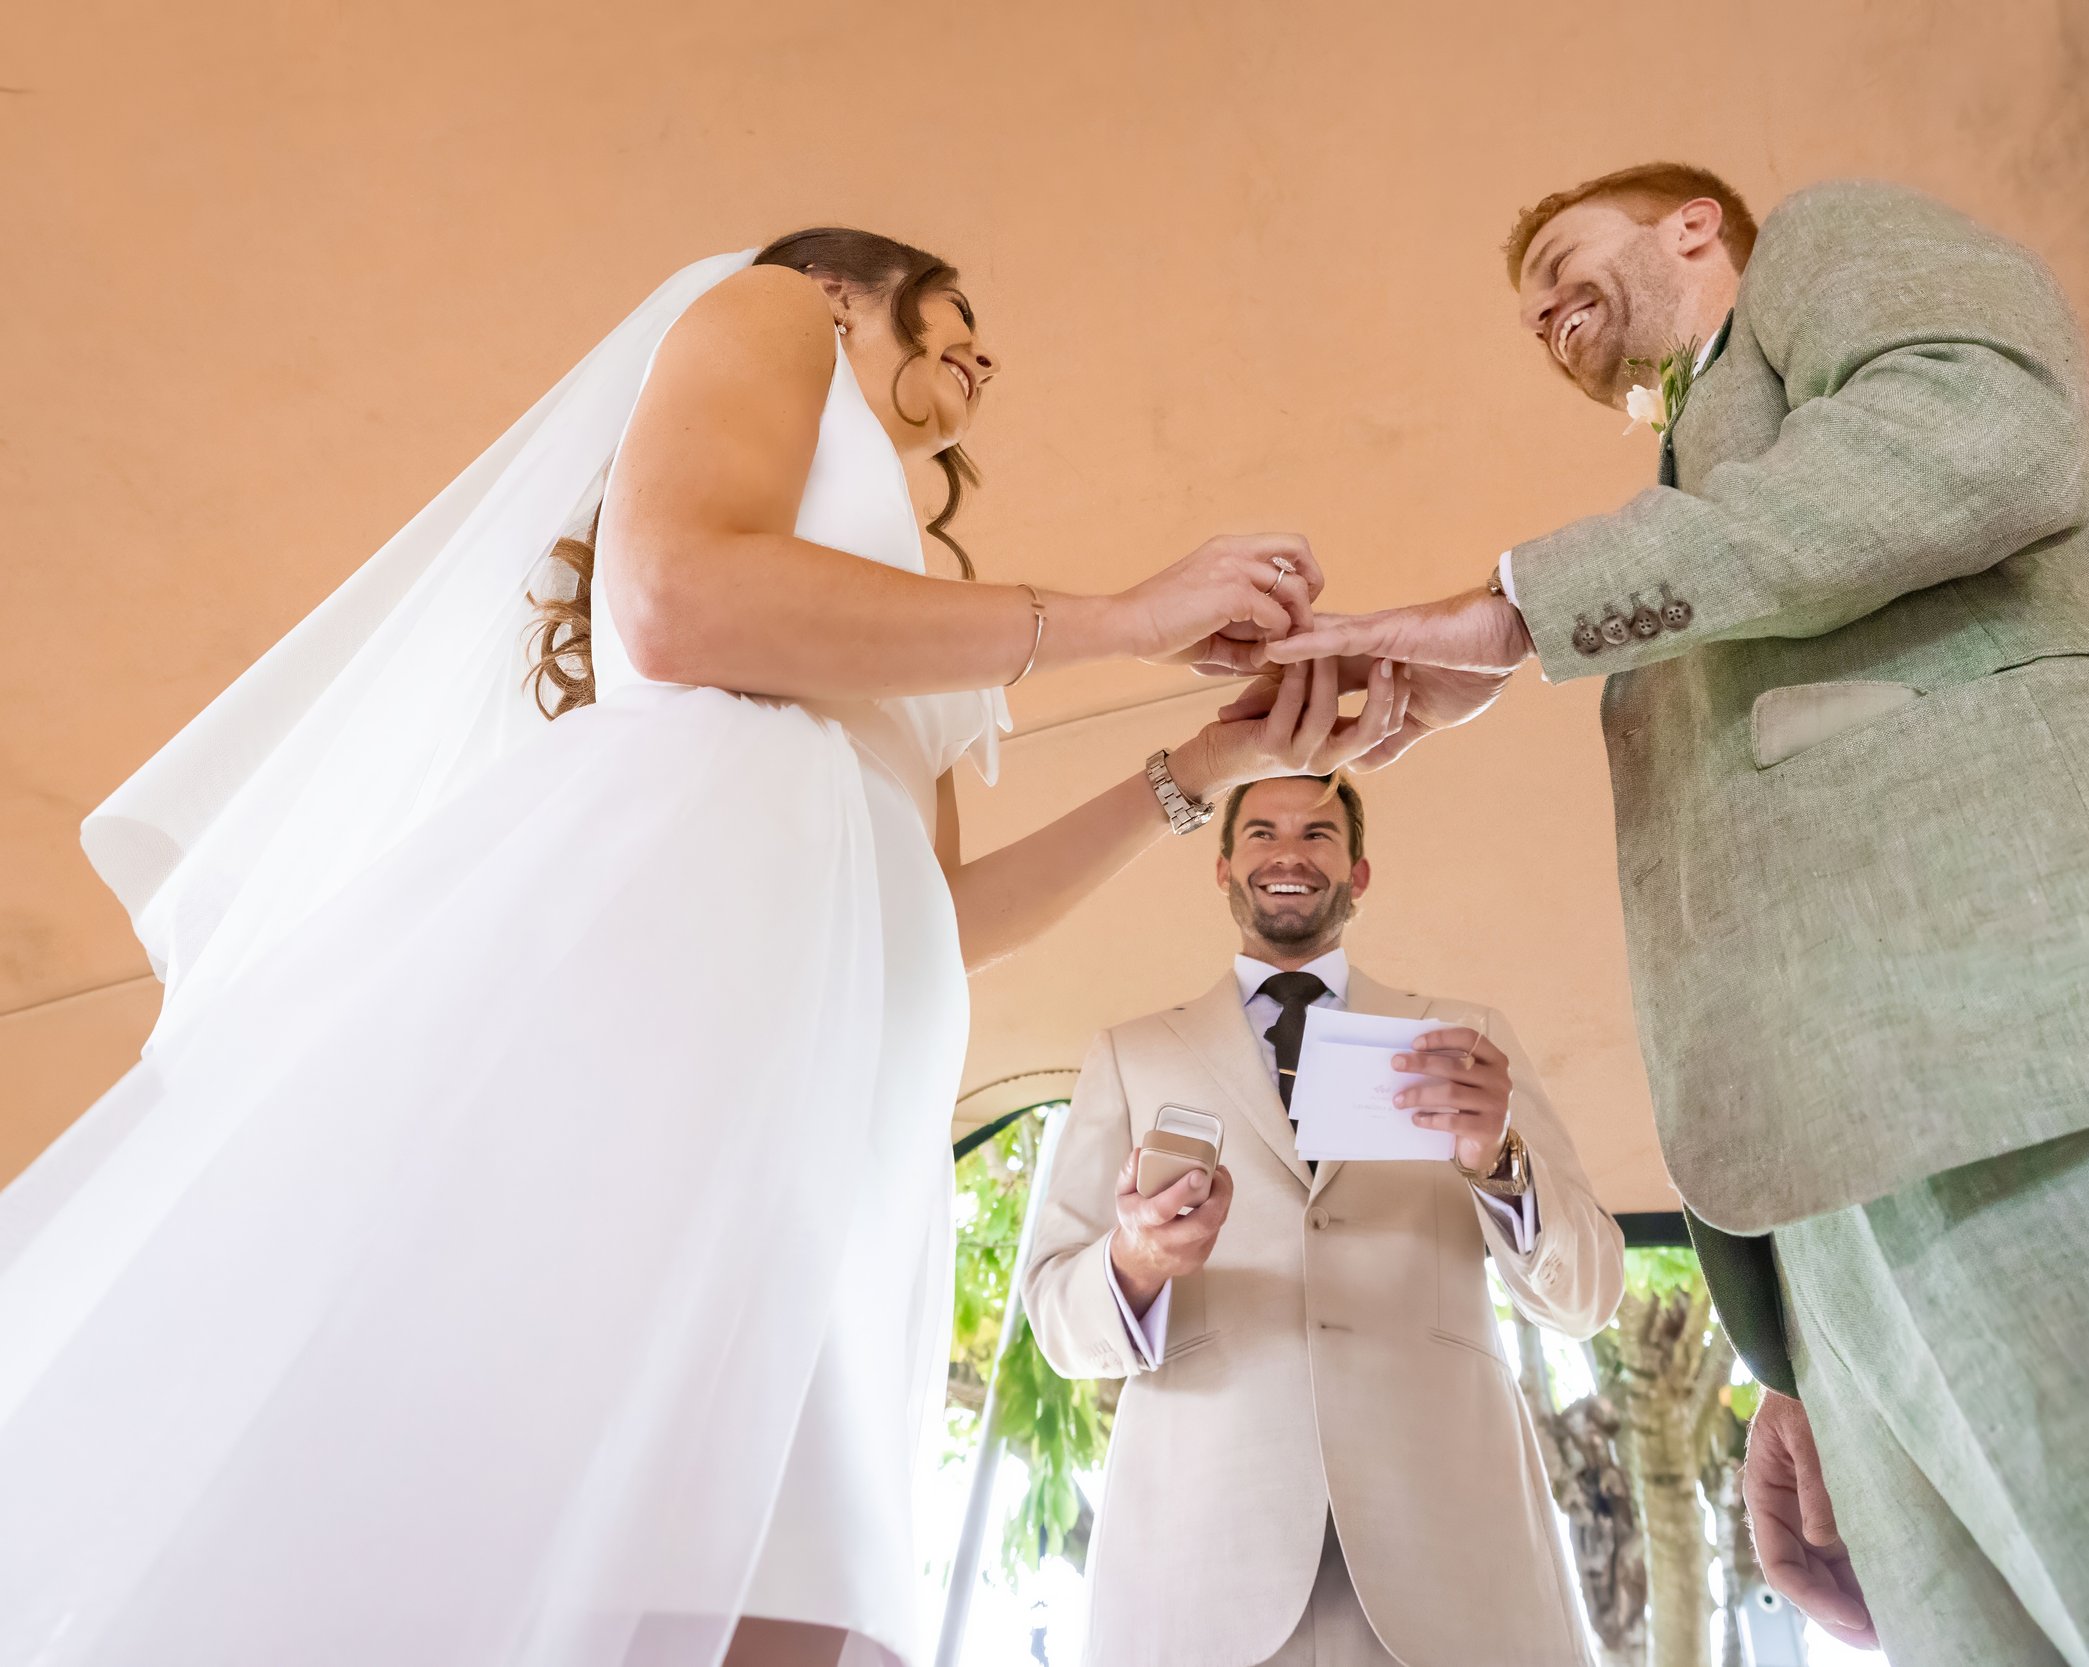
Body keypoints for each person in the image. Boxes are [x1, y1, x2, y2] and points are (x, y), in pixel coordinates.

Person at [0, 229, 1405, 1667]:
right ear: (849, 289)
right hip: (696, 960)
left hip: (841, 1059)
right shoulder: (775, 306)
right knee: (603, 1453)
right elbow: (676, 603)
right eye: (951, 314)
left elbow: (947, 908)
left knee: (762, 1540)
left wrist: (1198, 771)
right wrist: (1122, 620)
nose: (983, 353)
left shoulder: (912, 586)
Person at [1263, 164, 2089, 1662]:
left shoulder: (1825, 246)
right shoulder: (1691, 517)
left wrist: (1521, 607)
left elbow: (1978, 432)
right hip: (1851, 1260)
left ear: (1690, 225)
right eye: (1527, 311)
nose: (1541, 314)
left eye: (1561, 262)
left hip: (2084, 1040)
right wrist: (1800, 1355)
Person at [1022, 772, 1624, 1667]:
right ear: (1223, 868)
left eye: (1318, 834)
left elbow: (1590, 1295)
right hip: (1205, 1558)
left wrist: (1498, 1156)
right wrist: (1136, 1257)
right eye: (1262, 831)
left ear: (1358, 873)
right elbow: (1055, 1318)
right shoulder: (1129, 1054)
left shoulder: (1466, 1040)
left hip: (1450, 1550)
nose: (1289, 852)